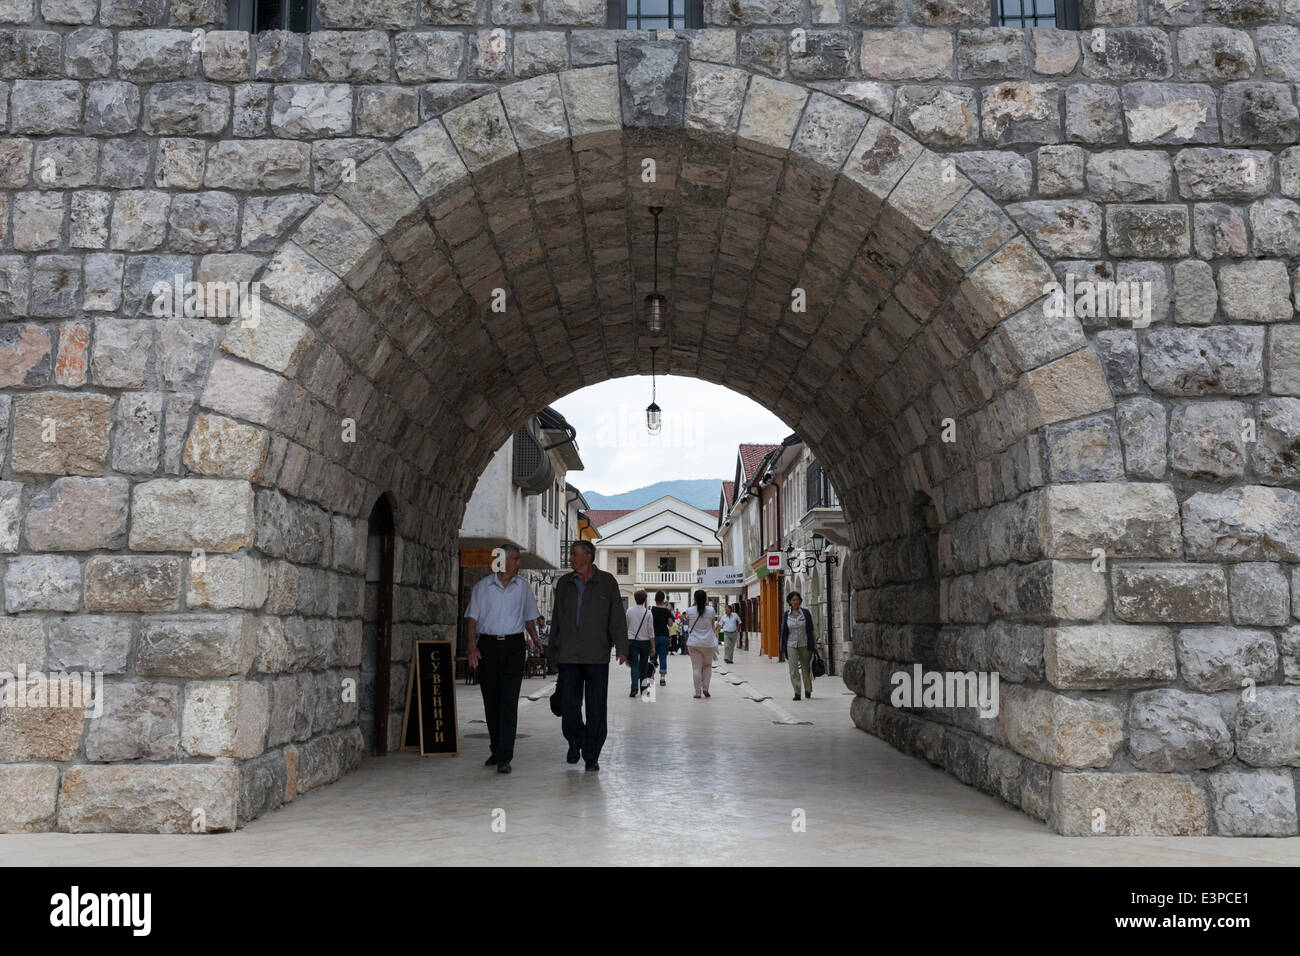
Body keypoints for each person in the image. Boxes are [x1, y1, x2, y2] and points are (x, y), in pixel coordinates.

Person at [549, 540, 627, 771]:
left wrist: (622, 646)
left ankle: (591, 754)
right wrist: (552, 649)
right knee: (570, 707)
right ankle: (575, 742)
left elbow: (616, 616)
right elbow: (558, 618)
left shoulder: (607, 582)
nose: (570, 558)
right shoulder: (564, 583)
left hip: (597, 656)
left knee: (596, 708)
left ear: (588, 557)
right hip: (568, 655)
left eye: (574, 554)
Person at [464, 545, 541, 774]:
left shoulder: (523, 587)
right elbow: (472, 620)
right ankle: (496, 748)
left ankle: (505, 756)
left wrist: (536, 639)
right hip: (487, 645)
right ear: (503, 561)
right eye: (516, 559)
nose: (519, 563)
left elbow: (529, 618)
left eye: (518, 559)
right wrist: (471, 647)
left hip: (514, 646)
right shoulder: (483, 587)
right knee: (491, 698)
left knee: (509, 700)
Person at [780, 591, 816, 701]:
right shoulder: (786, 614)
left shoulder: (805, 613)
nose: (795, 602)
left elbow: (811, 630)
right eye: (793, 600)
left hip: (804, 643)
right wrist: (783, 646)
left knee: (806, 668)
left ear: (800, 601)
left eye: (797, 600)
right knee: (793, 669)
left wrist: (814, 645)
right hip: (791, 644)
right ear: (790, 602)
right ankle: (797, 692)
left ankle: (808, 689)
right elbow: (784, 631)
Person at [682, 589, 718, 699]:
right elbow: (712, 626)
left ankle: (697, 692)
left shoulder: (689, 610)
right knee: (707, 666)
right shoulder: (711, 610)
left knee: (696, 668)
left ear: (695, 599)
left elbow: (689, 625)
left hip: (694, 643)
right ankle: (706, 688)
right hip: (708, 643)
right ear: (706, 598)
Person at [625, 590, 654, 698]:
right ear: (644, 599)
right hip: (645, 642)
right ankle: (644, 689)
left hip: (632, 641)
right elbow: (651, 630)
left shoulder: (629, 611)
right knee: (644, 665)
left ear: (635, 598)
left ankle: (634, 687)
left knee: (634, 665)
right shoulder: (648, 613)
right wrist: (653, 646)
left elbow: (626, 627)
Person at [650, 590, 672, 687]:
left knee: (652, 657)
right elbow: (670, 624)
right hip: (664, 636)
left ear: (655, 599)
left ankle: (651, 676)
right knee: (663, 657)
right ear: (663, 600)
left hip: (653, 636)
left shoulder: (651, 611)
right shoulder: (667, 611)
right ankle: (662, 678)